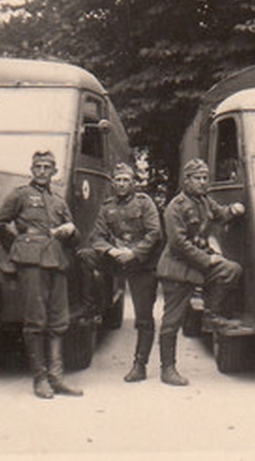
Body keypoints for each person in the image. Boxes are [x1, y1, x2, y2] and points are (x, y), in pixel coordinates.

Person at [0, 150, 84, 399]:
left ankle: (57, 378)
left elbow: (74, 238)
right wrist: (19, 246)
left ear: (54, 171)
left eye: (47, 167)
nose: (42, 171)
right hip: (31, 263)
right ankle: (40, 379)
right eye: (38, 167)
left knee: (58, 321)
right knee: (36, 321)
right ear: (32, 170)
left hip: (57, 261)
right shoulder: (20, 195)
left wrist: (71, 231)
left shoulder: (58, 200)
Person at [155, 158, 245, 386]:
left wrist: (234, 210)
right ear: (186, 180)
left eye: (205, 178)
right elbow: (179, 244)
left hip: (197, 265)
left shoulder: (204, 201)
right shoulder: (175, 207)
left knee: (230, 270)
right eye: (197, 178)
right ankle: (167, 368)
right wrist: (207, 259)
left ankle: (211, 315)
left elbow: (221, 214)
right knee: (172, 321)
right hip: (177, 269)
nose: (203, 182)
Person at [78, 163, 162, 382]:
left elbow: (154, 234)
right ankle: (94, 305)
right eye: (118, 180)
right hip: (117, 259)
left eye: (126, 180)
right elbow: (97, 237)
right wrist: (111, 251)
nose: (122, 184)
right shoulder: (107, 206)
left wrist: (133, 253)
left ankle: (140, 364)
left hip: (141, 264)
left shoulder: (145, 203)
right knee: (85, 256)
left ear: (133, 183)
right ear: (113, 183)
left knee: (144, 317)